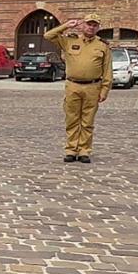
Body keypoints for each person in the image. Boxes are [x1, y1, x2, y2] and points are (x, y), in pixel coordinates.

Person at [45, 14, 111, 164]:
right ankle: (71, 149)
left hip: (93, 87)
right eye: (89, 24)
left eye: (94, 25)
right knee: (72, 119)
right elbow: (48, 35)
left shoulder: (102, 46)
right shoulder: (70, 40)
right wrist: (67, 25)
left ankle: (84, 151)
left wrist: (105, 89)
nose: (91, 27)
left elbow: (107, 70)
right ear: (83, 26)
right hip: (73, 85)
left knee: (87, 122)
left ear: (98, 27)